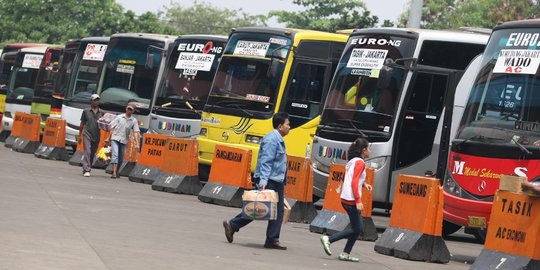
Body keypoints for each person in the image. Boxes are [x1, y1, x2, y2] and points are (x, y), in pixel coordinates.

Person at [222, 112, 290, 250]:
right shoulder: (272, 140)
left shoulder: (278, 139)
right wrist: (263, 181)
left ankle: (271, 239)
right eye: (287, 124)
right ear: (280, 125)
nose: (290, 127)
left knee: (275, 211)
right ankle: (233, 225)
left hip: (276, 180)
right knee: (259, 208)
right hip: (269, 180)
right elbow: (266, 161)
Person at [319, 136, 372, 262]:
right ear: (363, 150)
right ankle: (329, 239)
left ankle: (346, 253)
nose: (370, 150)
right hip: (351, 199)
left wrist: (364, 184)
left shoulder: (353, 161)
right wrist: (358, 200)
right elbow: (354, 182)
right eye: (369, 148)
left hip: (346, 197)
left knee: (356, 228)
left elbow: (354, 179)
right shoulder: (360, 163)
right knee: (357, 229)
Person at [105, 104, 140, 178]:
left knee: (121, 158)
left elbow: (136, 132)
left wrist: (137, 144)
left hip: (124, 140)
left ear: (133, 111)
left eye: (131, 109)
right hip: (115, 138)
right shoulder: (119, 117)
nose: (129, 111)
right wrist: (108, 138)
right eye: (128, 109)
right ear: (126, 109)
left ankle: (117, 171)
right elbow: (112, 127)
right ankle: (114, 173)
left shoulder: (133, 120)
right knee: (115, 155)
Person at [79, 94, 103, 177]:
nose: (96, 102)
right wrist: (79, 135)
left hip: (96, 135)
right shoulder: (86, 111)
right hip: (87, 133)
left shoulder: (101, 112)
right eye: (95, 100)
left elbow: (104, 124)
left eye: (97, 100)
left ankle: (87, 167)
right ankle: (87, 169)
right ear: (91, 101)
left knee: (92, 153)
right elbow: (82, 123)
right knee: (88, 151)